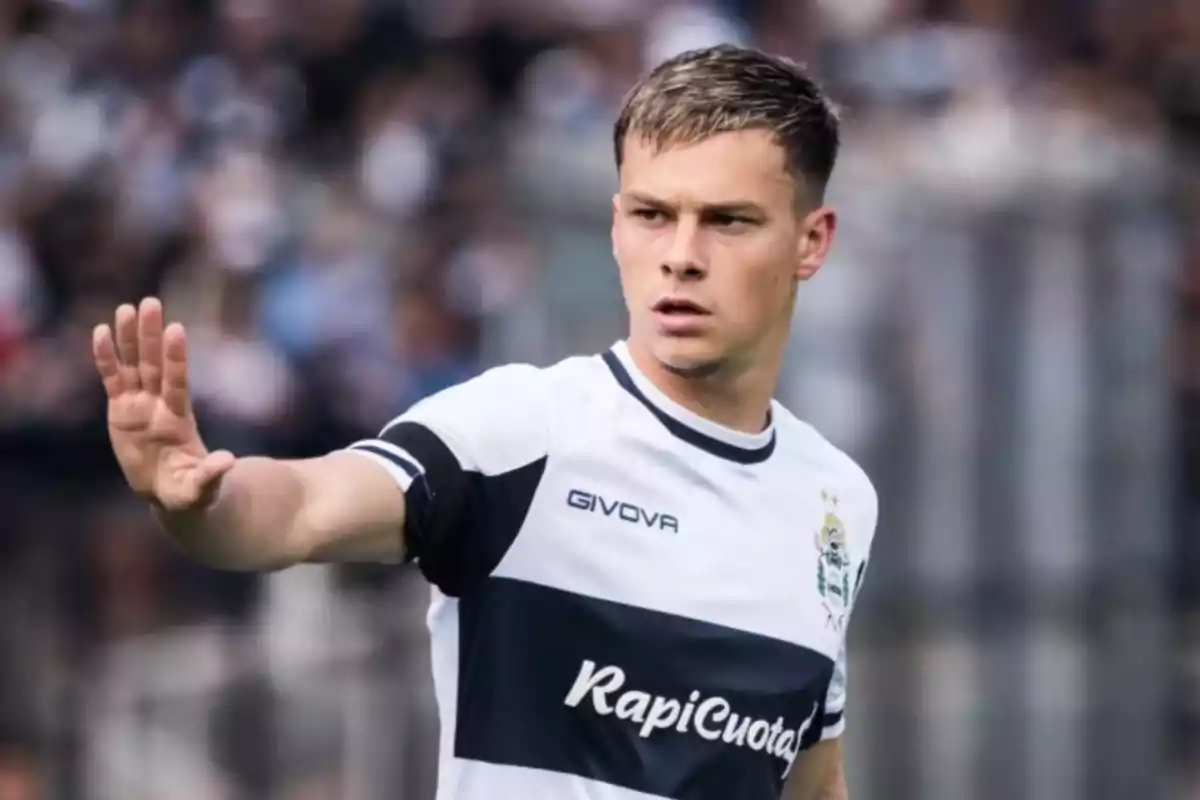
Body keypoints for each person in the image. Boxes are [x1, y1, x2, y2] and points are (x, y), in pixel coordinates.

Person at [92, 44, 878, 800]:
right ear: (614, 227)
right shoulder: (523, 430)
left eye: (727, 221)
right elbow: (301, 507)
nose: (680, 254)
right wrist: (198, 501)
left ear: (811, 241)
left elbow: (810, 782)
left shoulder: (836, 502)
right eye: (651, 214)